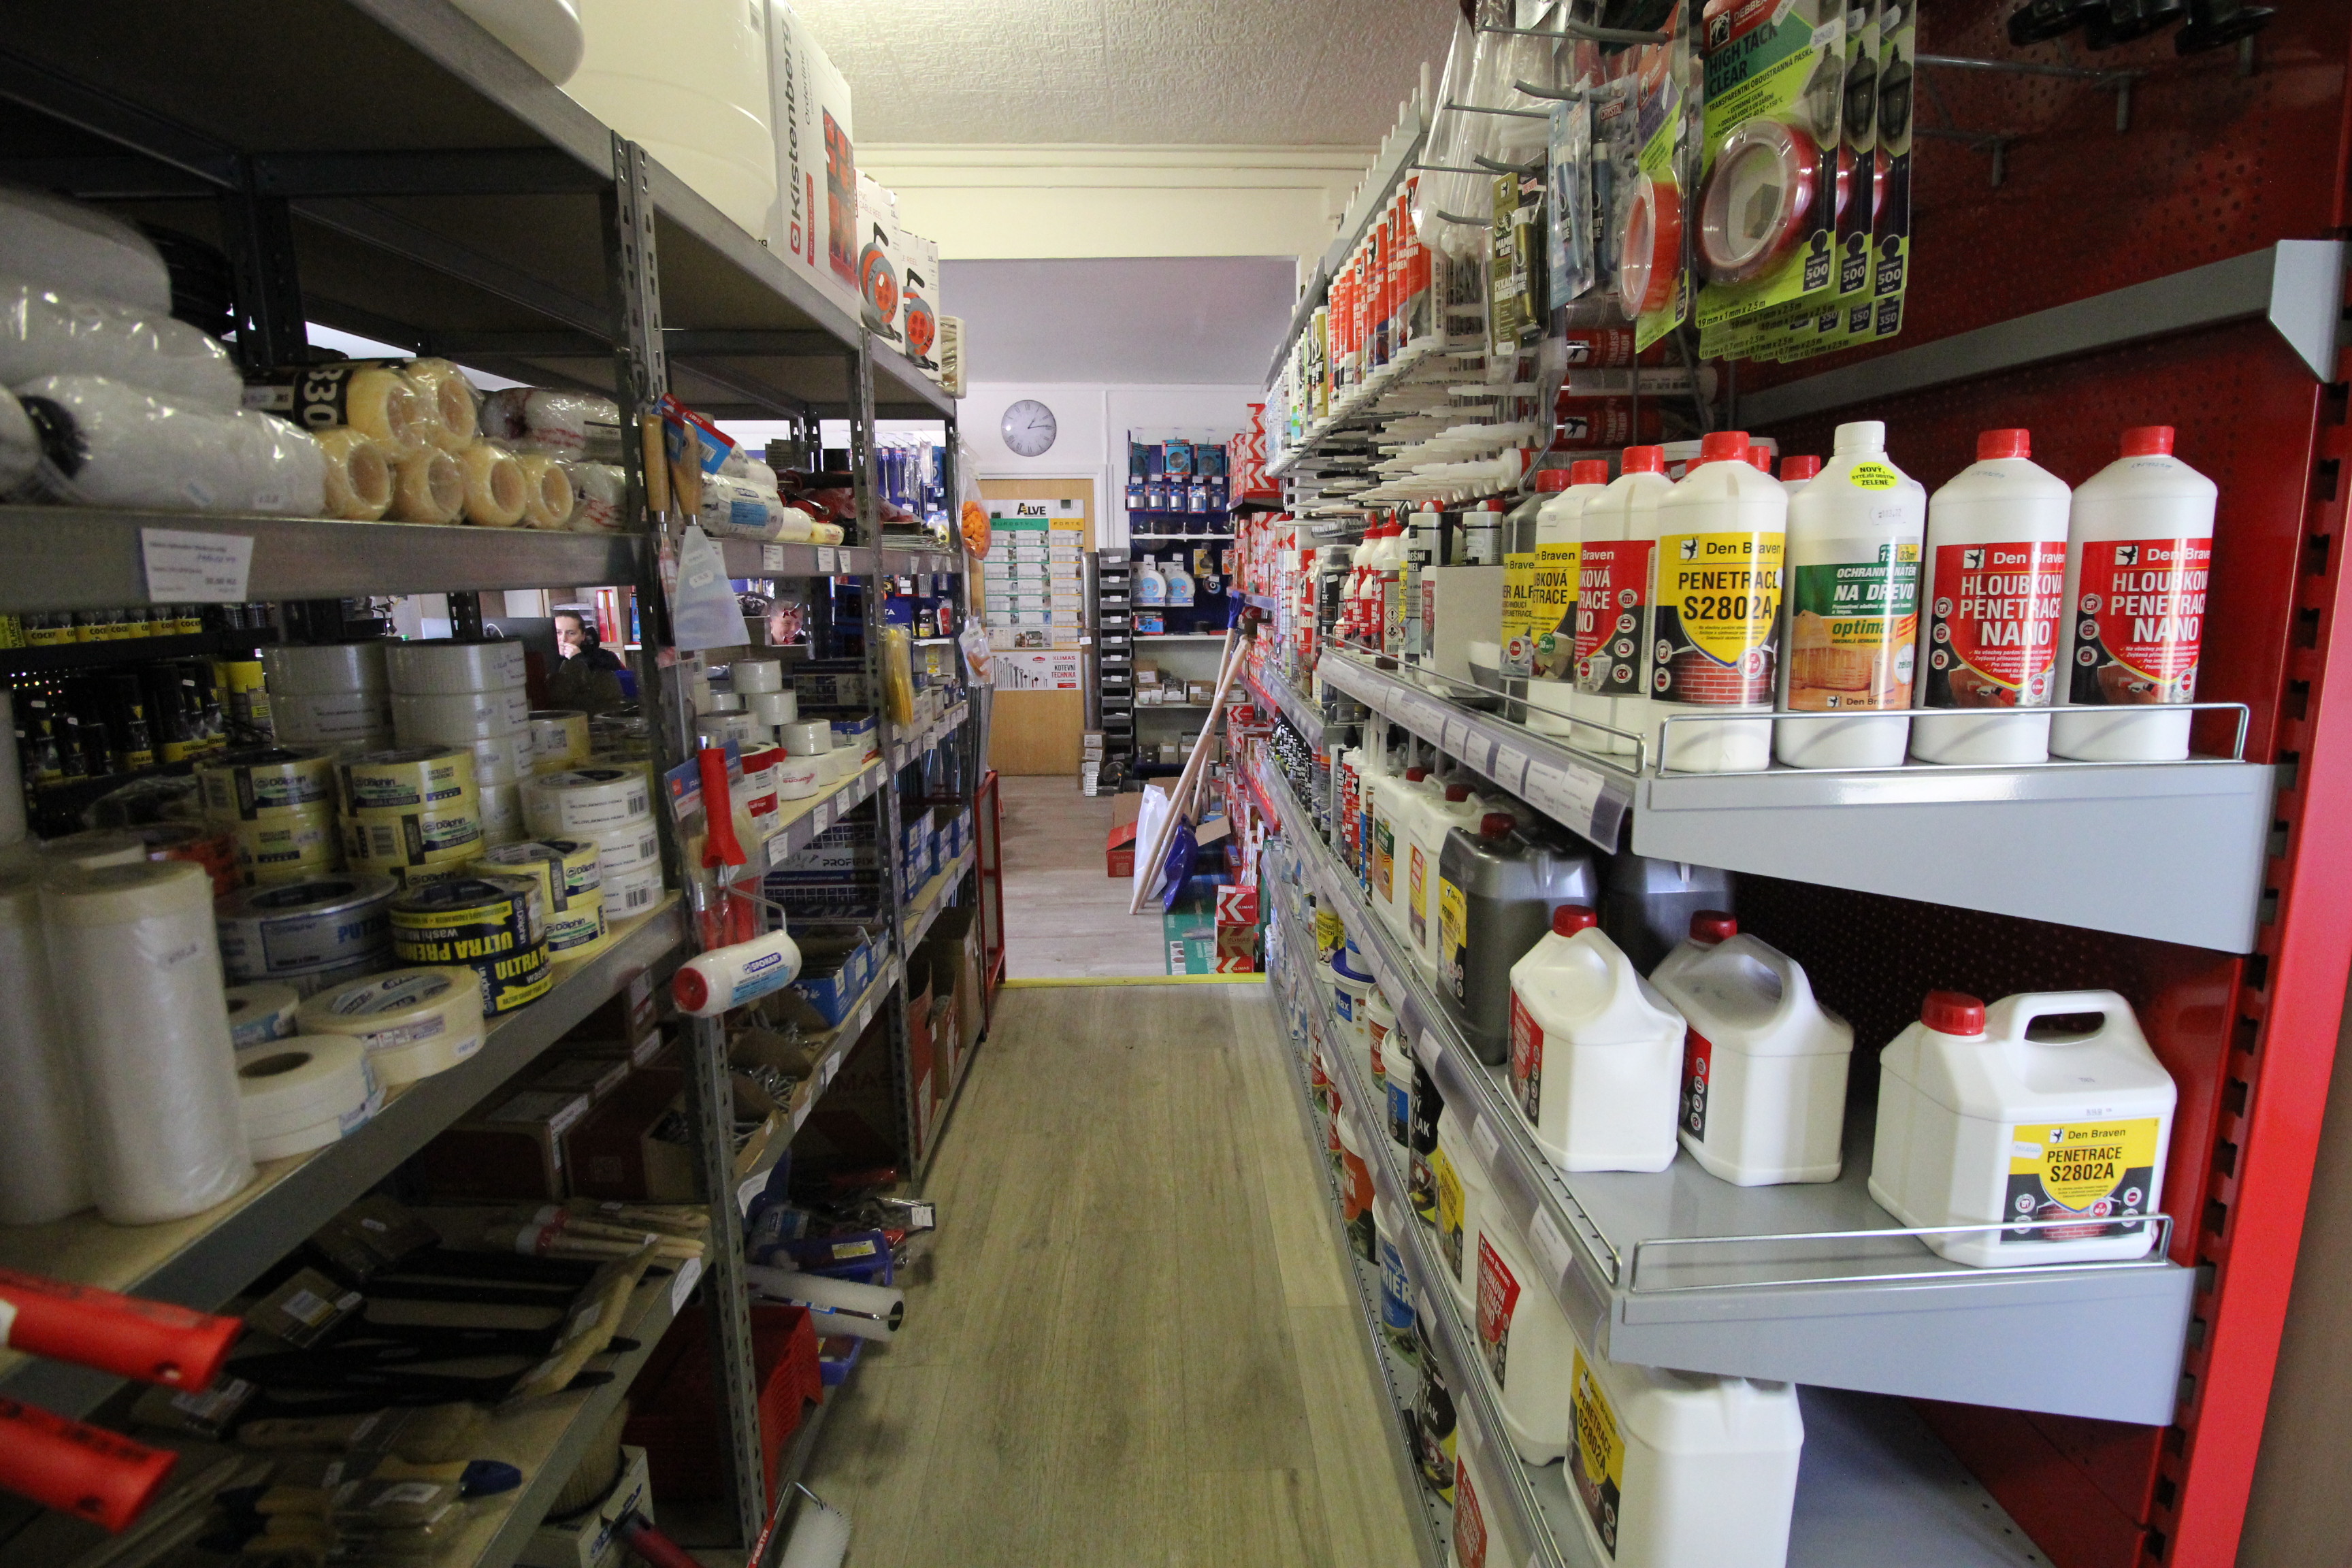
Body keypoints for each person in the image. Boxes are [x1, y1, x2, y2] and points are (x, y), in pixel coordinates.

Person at [550, 607, 625, 713]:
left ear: (583, 636)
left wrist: (578, 659)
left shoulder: (603, 657)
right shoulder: (544, 658)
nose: (563, 639)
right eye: (558, 633)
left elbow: (609, 688)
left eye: (571, 633)